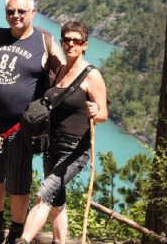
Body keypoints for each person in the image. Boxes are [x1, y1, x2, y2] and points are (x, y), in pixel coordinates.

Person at [0, 0, 64, 244]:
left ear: (33, 12)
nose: (16, 16)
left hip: (22, 126)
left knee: (19, 180)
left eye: (21, 11)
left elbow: (65, 75)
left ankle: (16, 232)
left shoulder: (44, 41)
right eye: (11, 11)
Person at [15, 21, 107, 244]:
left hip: (74, 150)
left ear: (85, 45)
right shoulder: (60, 72)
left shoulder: (92, 75)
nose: (71, 44)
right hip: (52, 145)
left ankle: (23, 240)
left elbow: (104, 113)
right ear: (62, 42)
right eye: (67, 40)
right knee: (56, 201)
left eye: (77, 41)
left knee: (44, 195)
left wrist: (96, 112)